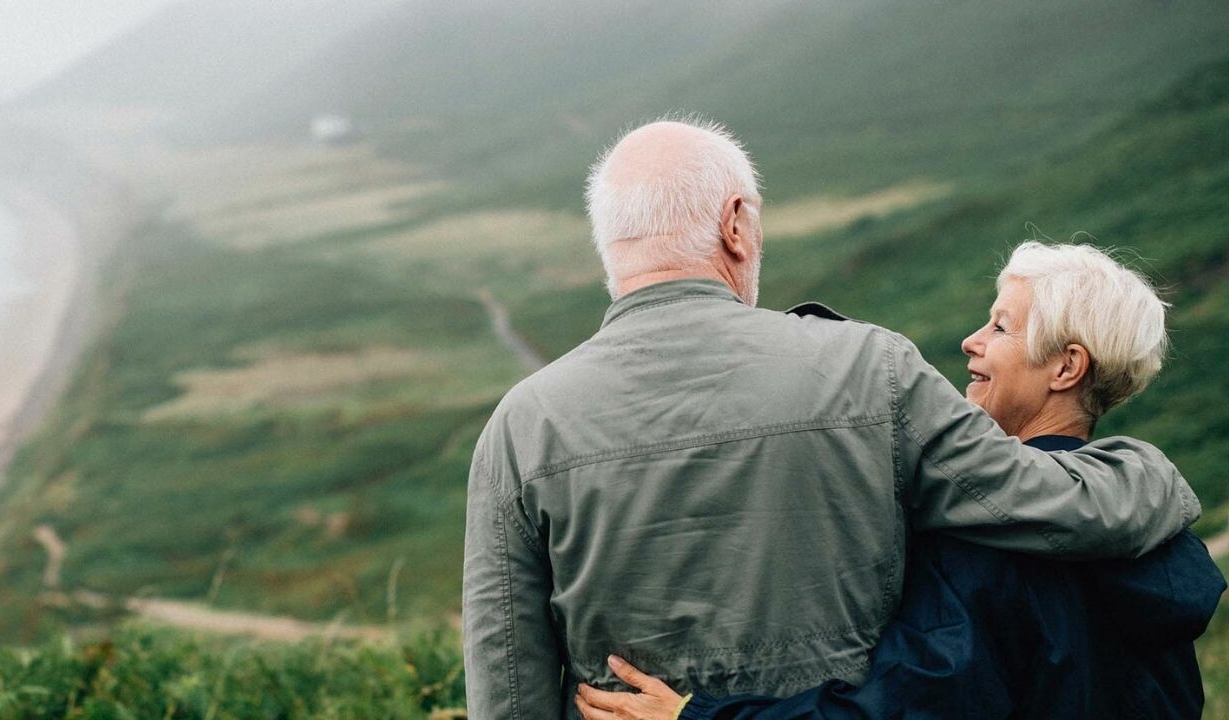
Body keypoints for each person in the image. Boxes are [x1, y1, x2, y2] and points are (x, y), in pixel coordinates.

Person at [462, 120, 1201, 719]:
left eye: (1001, 327)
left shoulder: (520, 427)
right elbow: (1047, 502)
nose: (975, 342)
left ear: (610, 247)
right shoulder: (870, 370)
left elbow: (508, 686)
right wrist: (1152, 474)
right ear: (736, 225)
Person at [575, 242, 1226, 720]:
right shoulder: (1159, 536)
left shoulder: (986, 539)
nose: (972, 341)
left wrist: (694, 717)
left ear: (1066, 368)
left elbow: (899, 711)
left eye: (1000, 326)